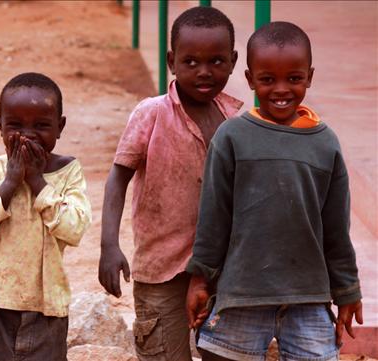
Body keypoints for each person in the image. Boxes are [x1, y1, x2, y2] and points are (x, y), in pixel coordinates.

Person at [186, 21, 363, 361]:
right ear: (251, 79)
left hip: (308, 295)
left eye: (294, 79)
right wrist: (200, 280)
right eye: (267, 80)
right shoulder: (232, 137)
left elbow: (336, 228)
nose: (281, 90)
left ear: (309, 77)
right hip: (242, 292)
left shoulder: (325, 144)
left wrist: (347, 290)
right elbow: (213, 217)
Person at [98, 6, 242, 360]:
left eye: (217, 62)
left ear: (234, 61)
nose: (204, 72)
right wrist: (109, 245)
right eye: (190, 62)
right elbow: (118, 179)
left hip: (219, 271)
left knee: (222, 353)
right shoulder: (152, 113)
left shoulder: (235, 121)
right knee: (163, 352)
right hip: (160, 271)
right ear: (171, 61)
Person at [0, 72, 92, 361]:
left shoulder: (69, 173)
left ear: (60, 127)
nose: (28, 135)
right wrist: (8, 184)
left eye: (42, 125)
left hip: (45, 309)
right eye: (15, 125)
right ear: (0, 125)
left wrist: (37, 182)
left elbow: (75, 228)